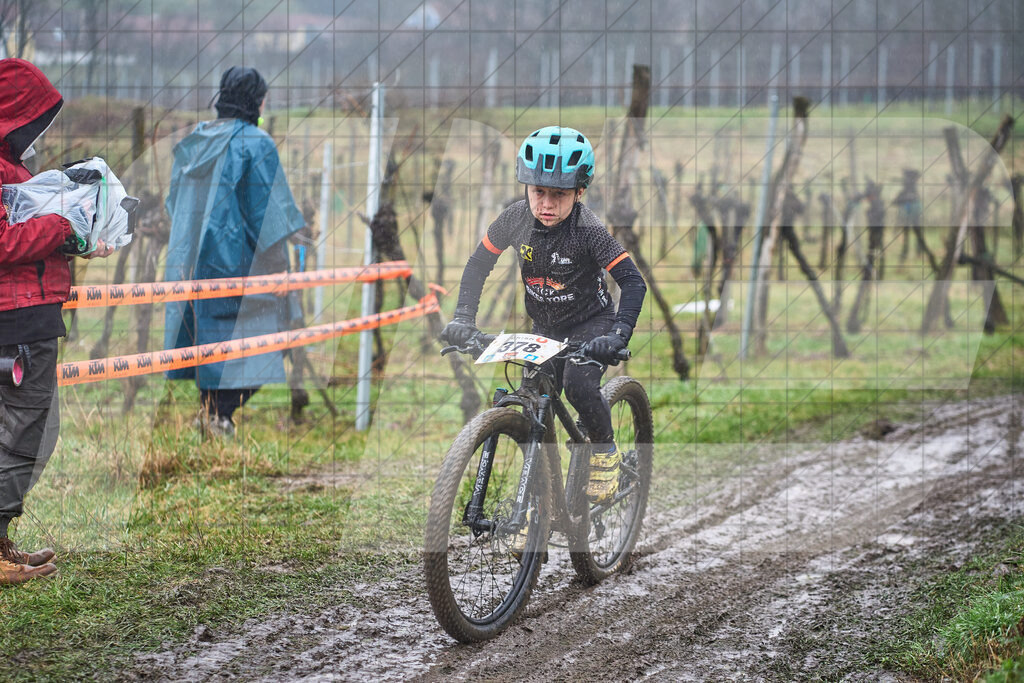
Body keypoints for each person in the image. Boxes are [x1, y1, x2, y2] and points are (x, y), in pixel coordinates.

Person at [440, 126, 646, 504]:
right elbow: (478, 265)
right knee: (534, 402)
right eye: (538, 191)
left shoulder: (589, 230)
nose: (546, 203)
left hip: (591, 323)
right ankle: (538, 507)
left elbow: (633, 282)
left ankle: (604, 452)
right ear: (526, 187)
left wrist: (617, 335)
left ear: (579, 192)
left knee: (578, 384)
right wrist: (464, 318)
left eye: (559, 194)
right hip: (545, 326)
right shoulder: (514, 218)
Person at [0, 58, 115, 585]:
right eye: (33, 118)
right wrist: (60, 224)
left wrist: (75, 239)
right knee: (28, 428)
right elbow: (6, 243)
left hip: (32, 313)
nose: (37, 132)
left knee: (28, 428)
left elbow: (28, 238)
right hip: (17, 319)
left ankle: (1, 538)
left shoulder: (16, 171)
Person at [163, 67, 305, 438]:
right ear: (256, 101)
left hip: (193, 262)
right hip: (244, 263)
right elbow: (266, 212)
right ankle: (220, 415)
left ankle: (212, 415)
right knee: (272, 337)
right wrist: (278, 268)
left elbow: (174, 203)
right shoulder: (256, 144)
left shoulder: (195, 141)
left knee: (208, 342)